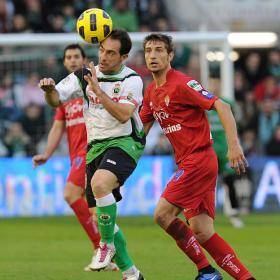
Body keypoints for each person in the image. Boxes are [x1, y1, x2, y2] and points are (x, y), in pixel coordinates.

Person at [140, 33, 255, 280]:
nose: (153, 55)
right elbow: (139, 132)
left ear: (170, 56)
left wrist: (234, 145)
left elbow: (222, 106)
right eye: (149, 51)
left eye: (159, 50)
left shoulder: (182, 84)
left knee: (162, 214)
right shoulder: (150, 93)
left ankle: (206, 272)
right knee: (202, 231)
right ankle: (245, 277)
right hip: (189, 163)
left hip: (199, 161)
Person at [39, 29, 145, 280]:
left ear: (124, 57)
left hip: (125, 141)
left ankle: (104, 245)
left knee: (99, 184)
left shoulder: (132, 79)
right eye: (101, 51)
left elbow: (122, 114)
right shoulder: (82, 76)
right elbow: (56, 100)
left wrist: (97, 89)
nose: (104, 57)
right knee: (99, 218)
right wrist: (48, 90)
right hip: (95, 146)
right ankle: (131, 273)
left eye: (111, 53)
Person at [33, 44, 117, 271]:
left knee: (71, 194)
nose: (72, 60)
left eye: (76, 56)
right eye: (68, 57)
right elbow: (57, 127)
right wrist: (47, 154)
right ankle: (113, 255)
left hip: (90, 150)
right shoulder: (63, 94)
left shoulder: (91, 87)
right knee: (94, 208)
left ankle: (100, 247)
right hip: (76, 156)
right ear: (64, 62)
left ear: (83, 60)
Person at [207, 78, 244, 228]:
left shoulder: (227, 103)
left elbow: (238, 120)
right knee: (205, 184)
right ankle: (204, 215)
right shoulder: (202, 104)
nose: (214, 86)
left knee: (230, 179)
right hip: (208, 149)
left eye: (217, 83)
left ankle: (234, 214)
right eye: (212, 83)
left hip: (225, 149)